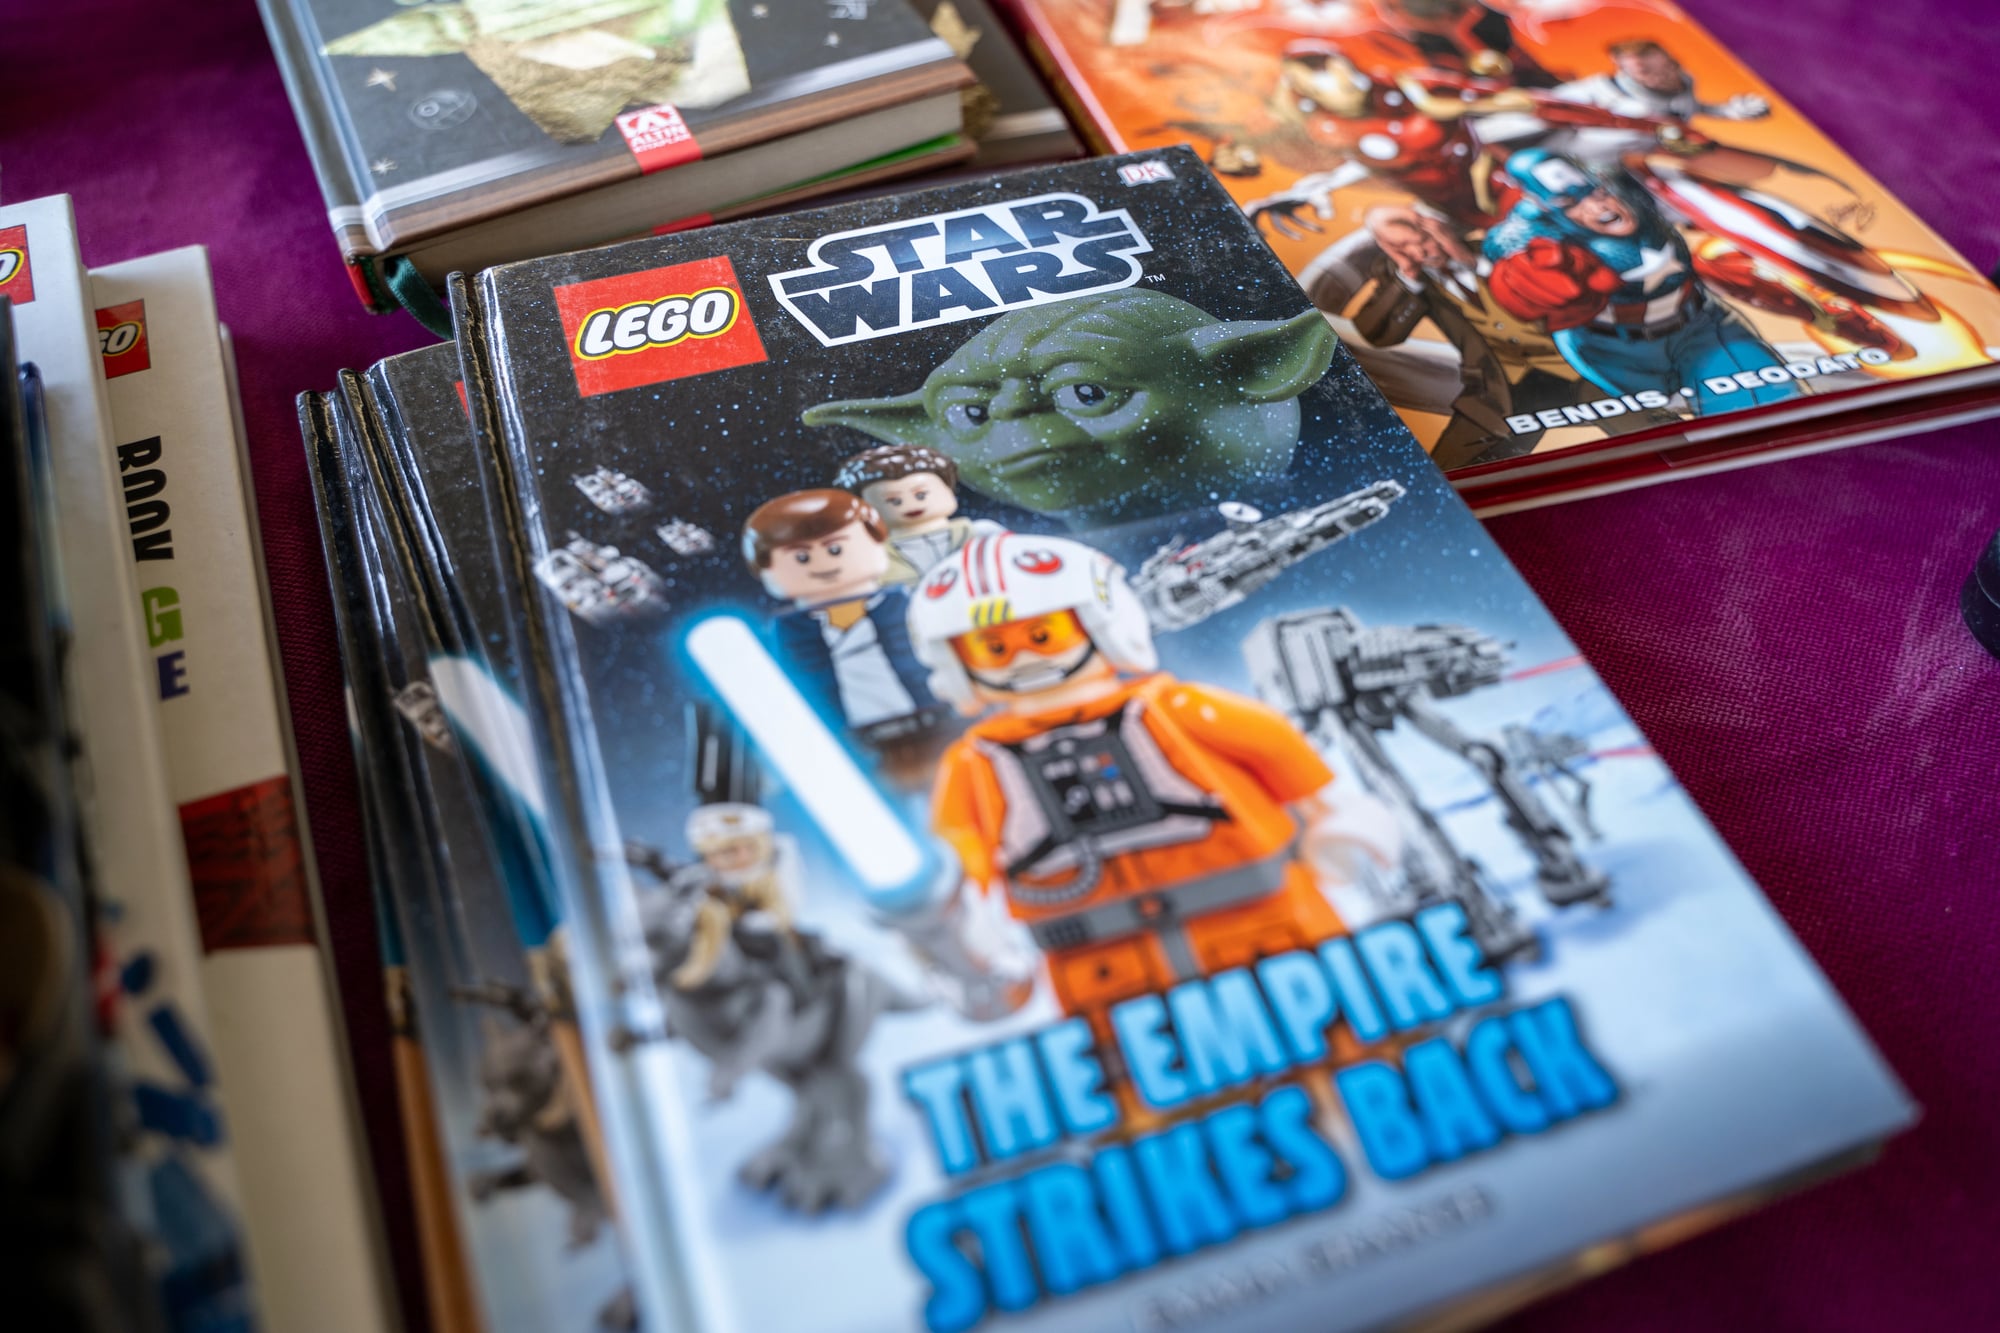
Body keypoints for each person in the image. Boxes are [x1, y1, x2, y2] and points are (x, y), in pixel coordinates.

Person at [890, 532, 1396, 1035]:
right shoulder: (975, 764)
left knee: (1335, 1041)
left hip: (1265, 926)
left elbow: (1293, 766)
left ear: (1100, 621)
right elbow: (960, 851)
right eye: (993, 649)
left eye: (1043, 636)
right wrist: (967, 923)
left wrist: (1345, 824)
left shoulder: (1180, 710)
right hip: (1102, 968)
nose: (1022, 660)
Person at [1483, 149, 1801, 414]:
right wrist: (1518, 270)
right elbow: (1501, 242)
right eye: (1570, 202)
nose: (1597, 206)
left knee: (1766, 408)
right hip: (1608, 349)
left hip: (1698, 325)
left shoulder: (1625, 184)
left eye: (1595, 191)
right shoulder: (1531, 227)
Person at [741, 489, 941, 745]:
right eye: (802, 557)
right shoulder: (792, 630)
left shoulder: (898, 604)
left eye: (835, 549)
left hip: (931, 717)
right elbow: (798, 687)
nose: (822, 564)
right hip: (844, 739)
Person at [830, 445, 1000, 584]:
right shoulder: (873, 557)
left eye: (921, 495)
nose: (909, 505)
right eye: (894, 501)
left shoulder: (982, 533)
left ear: (948, 490)